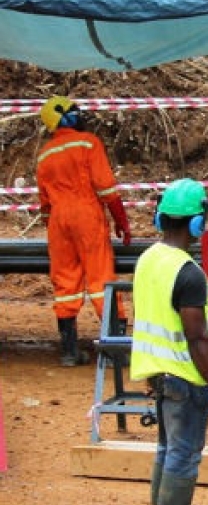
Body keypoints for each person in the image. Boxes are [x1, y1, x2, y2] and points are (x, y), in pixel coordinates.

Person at [129, 178, 208, 505]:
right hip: (185, 376)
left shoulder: (147, 259)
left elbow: (144, 316)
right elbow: (198, 338)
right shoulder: (188, 273)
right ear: (196, 224)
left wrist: (151, 370)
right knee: (184, 452)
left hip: (158, 371)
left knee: (167, 447)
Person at [35, 95, 131, 366]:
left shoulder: (45, 154)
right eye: (74, 111)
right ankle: (115, 350)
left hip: (57, 221)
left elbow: (44, 204)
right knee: (101, 279)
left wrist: (57, 230)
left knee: (66, 284)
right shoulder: (88, 143)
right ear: (65, 117)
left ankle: (69, 351)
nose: (79, 114)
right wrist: (122, 222)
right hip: (86, 215)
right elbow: (106, 188)